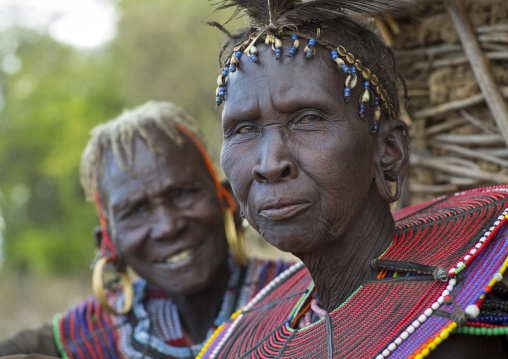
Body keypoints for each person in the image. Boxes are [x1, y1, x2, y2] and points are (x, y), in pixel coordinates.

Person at [197, 1, 508, 358]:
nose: (269, 164)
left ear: (389, 149)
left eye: (308, 119)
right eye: (244, 129)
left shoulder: (449, 338)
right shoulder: (284, 319)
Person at [0, 101, 290, 358]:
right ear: (108, 244)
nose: (168, 227)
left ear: (229, 201)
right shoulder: (88, 336)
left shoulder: (302, 298)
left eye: (184, 193)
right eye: (136, 211)